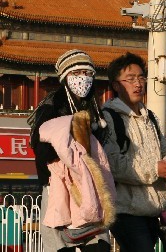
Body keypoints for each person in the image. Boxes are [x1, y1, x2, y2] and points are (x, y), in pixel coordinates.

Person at [28, 49, 115, 252]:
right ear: (65, 77)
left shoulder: (93, 108)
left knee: (97, 239)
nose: (83, 78)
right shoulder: (51, 106)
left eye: (88, 73)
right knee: (57, 235)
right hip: (58, 181)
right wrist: (71, 150)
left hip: (91, 182)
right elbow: (41, 148)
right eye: (77, 73)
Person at [102, 52, 166, 252]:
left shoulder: (149, 117)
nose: (138, 84)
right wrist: (154, 169)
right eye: (130, 79)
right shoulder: (108, 118)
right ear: (116, 85)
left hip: (154, 209)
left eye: (141, 78)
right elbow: (111, 164)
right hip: (126, 210)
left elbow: (165, 150)